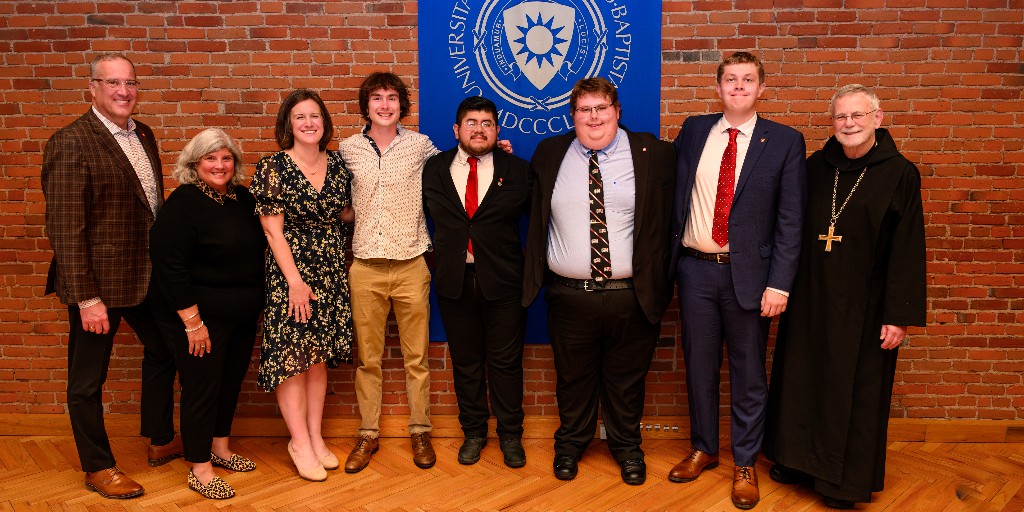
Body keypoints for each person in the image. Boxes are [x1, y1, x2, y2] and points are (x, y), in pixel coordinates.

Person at [762, 84, 926, 510]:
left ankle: (843, 483)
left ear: (878, 118)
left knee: (854, 392)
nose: (849, 124)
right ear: (831, 122)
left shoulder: (899, 173)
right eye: (841, 117)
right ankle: (795, 462)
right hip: (810, 301)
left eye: (857, 116)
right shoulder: (816, 167)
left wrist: (898, 315)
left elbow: (908, 248)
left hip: (866, 309)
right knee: (802, 381)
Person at [668, 51, 806, 509]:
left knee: (748, 376)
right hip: (694, 272)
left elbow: (791, 219)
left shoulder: (784, 141)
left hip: (751, 278)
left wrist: (780, 284)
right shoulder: (693, 130)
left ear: (762, 88)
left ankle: (745, 461)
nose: (739, 86)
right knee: (699, 367)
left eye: (748, 80)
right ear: (719, 86)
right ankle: (704, 447)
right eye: (731, 79)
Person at [522, 77, 676, 485]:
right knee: (573, 380)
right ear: (572, 115)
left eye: (601, 109)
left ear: (617, 111)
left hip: (631, 296)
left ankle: (627, 448)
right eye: (584, 110)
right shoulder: (549, 153)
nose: (593, 118)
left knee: (627, 382)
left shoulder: (654, 154)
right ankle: (571, 444)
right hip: (570, 297)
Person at [40, 53, 181, 499]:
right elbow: (64, 228)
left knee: (166, 348)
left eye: (131, 83)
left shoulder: (144, 133)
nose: (124, 91)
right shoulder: (71, 141)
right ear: (93, 88)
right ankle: (97, 466)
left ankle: (159, 439)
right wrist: (86, 298)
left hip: (145, 276)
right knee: (86, 380)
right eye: (113, 83)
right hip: (97, 284)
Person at [148, 129, 266, 499]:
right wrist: (193, 323)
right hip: (197, 319)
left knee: (229, 383)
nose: (219, 165)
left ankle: (220, 447)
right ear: (194, 163)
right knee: (202, 388)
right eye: (210, 158)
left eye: (226, 158)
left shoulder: (242, 198)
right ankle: (199, 467)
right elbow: (170, 267)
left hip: (242, 315)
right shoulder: (182, 203)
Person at [250, 89, 354, 482]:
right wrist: (295, 283)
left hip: (330, 271)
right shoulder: (273, 167)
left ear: (324, 122)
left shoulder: (339, 166)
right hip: (291, 274)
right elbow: (272, 231)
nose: (309, 122)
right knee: (293, 360)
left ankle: (314, 435)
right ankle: (298, 442)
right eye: (300, 117)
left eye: (315, 115)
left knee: (317, 357)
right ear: (288, 125)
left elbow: (346, 213)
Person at [422, 96, 532, 467]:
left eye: (487, 123)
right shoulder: (433, 169)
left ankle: (510, 436)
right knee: (466, 363)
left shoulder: (516, 169)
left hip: (503, 282)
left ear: (497, 130)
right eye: (471, 122)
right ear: (457, 130)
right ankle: (473, 432)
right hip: (454, 281)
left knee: (505, 363)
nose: (479, 129)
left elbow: (542, 217)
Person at [340, 71, 441, 473]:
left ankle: (420, 430)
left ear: (402, 105)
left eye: (392, 98)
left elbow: (455, 172)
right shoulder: (347, 149)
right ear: (366, 106)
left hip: (412, 263)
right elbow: (338, 197)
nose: (385, 105)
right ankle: (367, 434)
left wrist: (494, 152)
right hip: (365, 266)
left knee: (417, 357)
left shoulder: (420, 146)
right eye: (377, 98)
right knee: (368, 358)